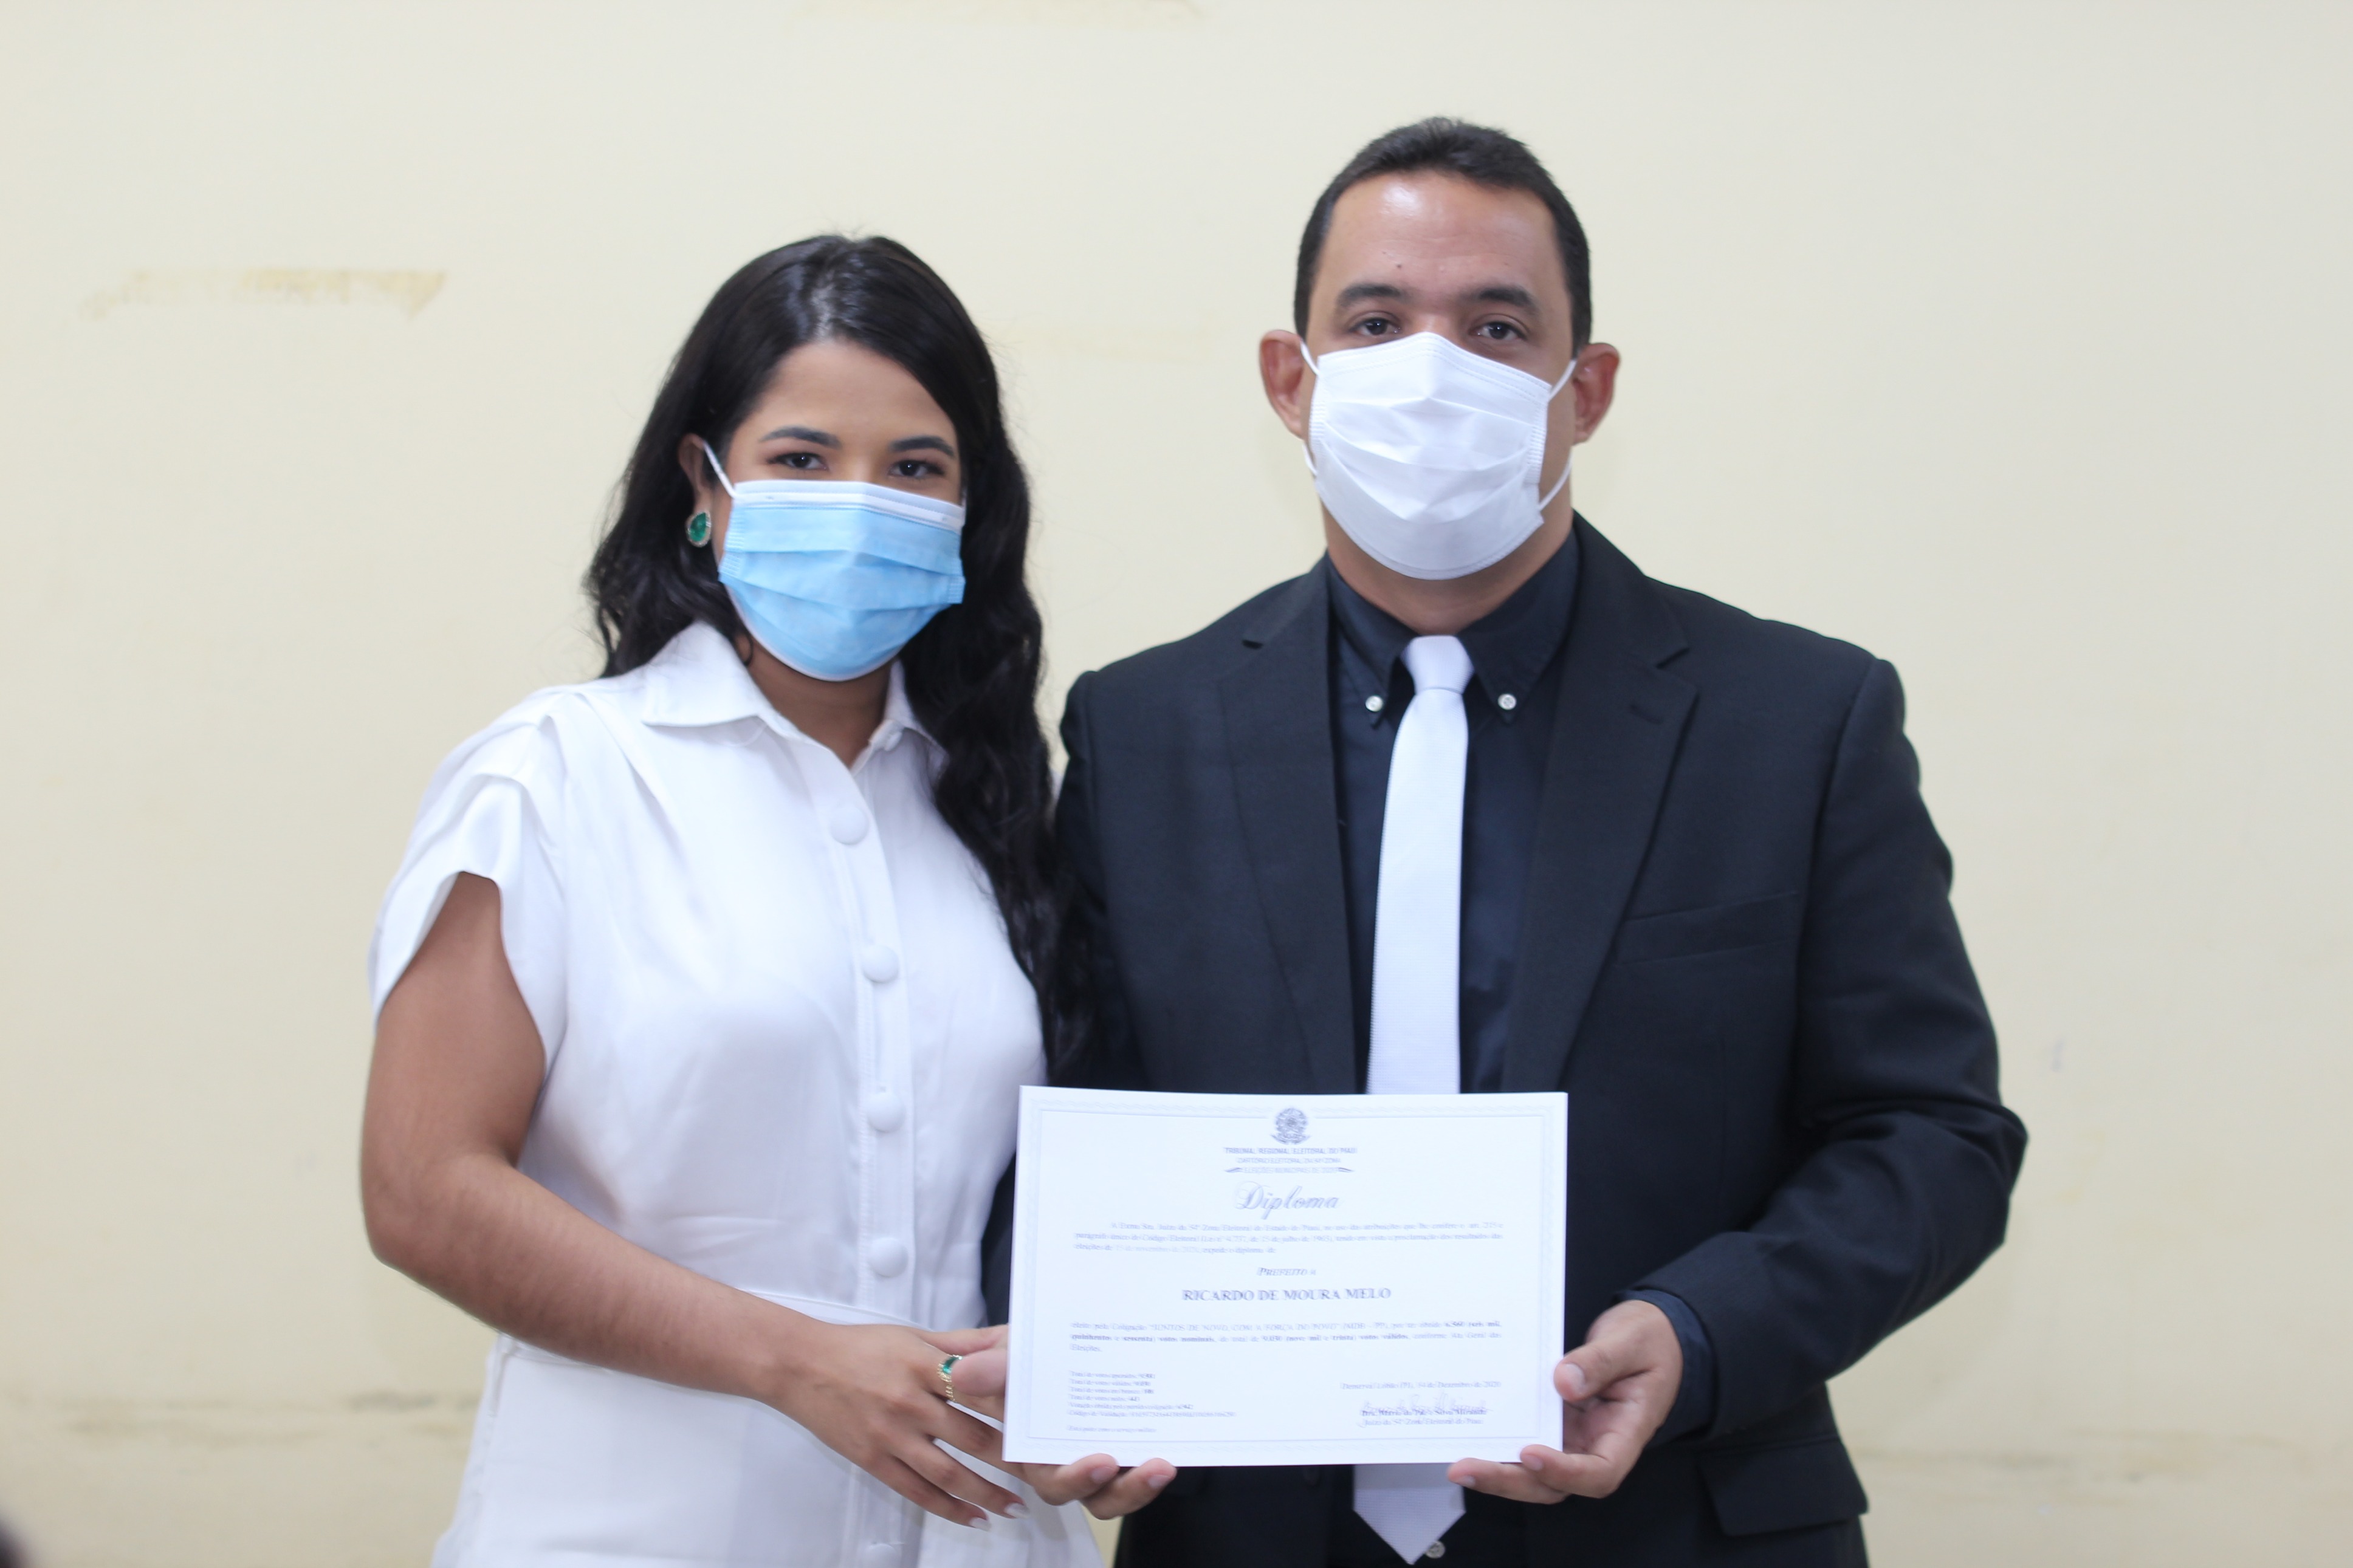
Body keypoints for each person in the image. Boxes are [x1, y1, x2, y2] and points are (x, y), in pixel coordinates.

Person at [1049, 120, 2028, 1566]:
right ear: (1289, 379)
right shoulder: (1141, 730)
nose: (1431, 368)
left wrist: (1698, 1330)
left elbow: (1933, 1136)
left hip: (1677, 1528)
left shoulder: (1796, 721)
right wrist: (1064, 1359)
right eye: (1375, 323)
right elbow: (1069, 1117)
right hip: (1243, 1529)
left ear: (1587, 390)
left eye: (1495, 328)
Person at [362, 236, 1169, 1567]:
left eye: (915, 467)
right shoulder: (556, 775)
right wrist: (795, 1358)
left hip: (978, 1536)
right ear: (706, 483)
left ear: (970, 508)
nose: (860, 502)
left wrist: (1102, 1392)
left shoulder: (1000, 810)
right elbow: (423, 1188)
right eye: (801, 457)